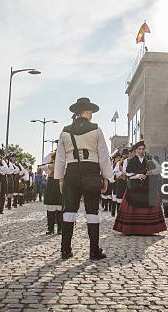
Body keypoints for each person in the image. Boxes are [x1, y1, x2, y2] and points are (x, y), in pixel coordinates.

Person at [54, 97, 113, 260]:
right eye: (91, 112)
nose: (92, 115)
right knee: (92, 211)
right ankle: (94, 251)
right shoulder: (96, 129)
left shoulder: (65, 131)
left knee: (69, 210)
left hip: (71, 172)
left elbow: (60, 157)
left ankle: (65, 249)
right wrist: (106, 176)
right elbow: (103, 155)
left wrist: (60, 178)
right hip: (91, 170)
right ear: (86, 112)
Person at [114, 140, 167, 235]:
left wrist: (151, 172)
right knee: (133, 205)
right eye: (139, 149)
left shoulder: (149, 159)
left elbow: (159, 169)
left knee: (148, 206)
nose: (141, 151)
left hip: (148, 187)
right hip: (134, 188)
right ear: (135, 150)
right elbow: (127, 174)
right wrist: (138, 176)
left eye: (143, 149)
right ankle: (131, 229)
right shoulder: (130, 161)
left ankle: (148, 229)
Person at [41, 151, 62, 234]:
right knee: (50, 207)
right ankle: (50, 228)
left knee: (60, 207)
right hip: (52, 183)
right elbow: (43, 166)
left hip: (61, 183)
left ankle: (60, 228)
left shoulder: (65, 156)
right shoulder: (51, 156)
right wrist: (51, 166)